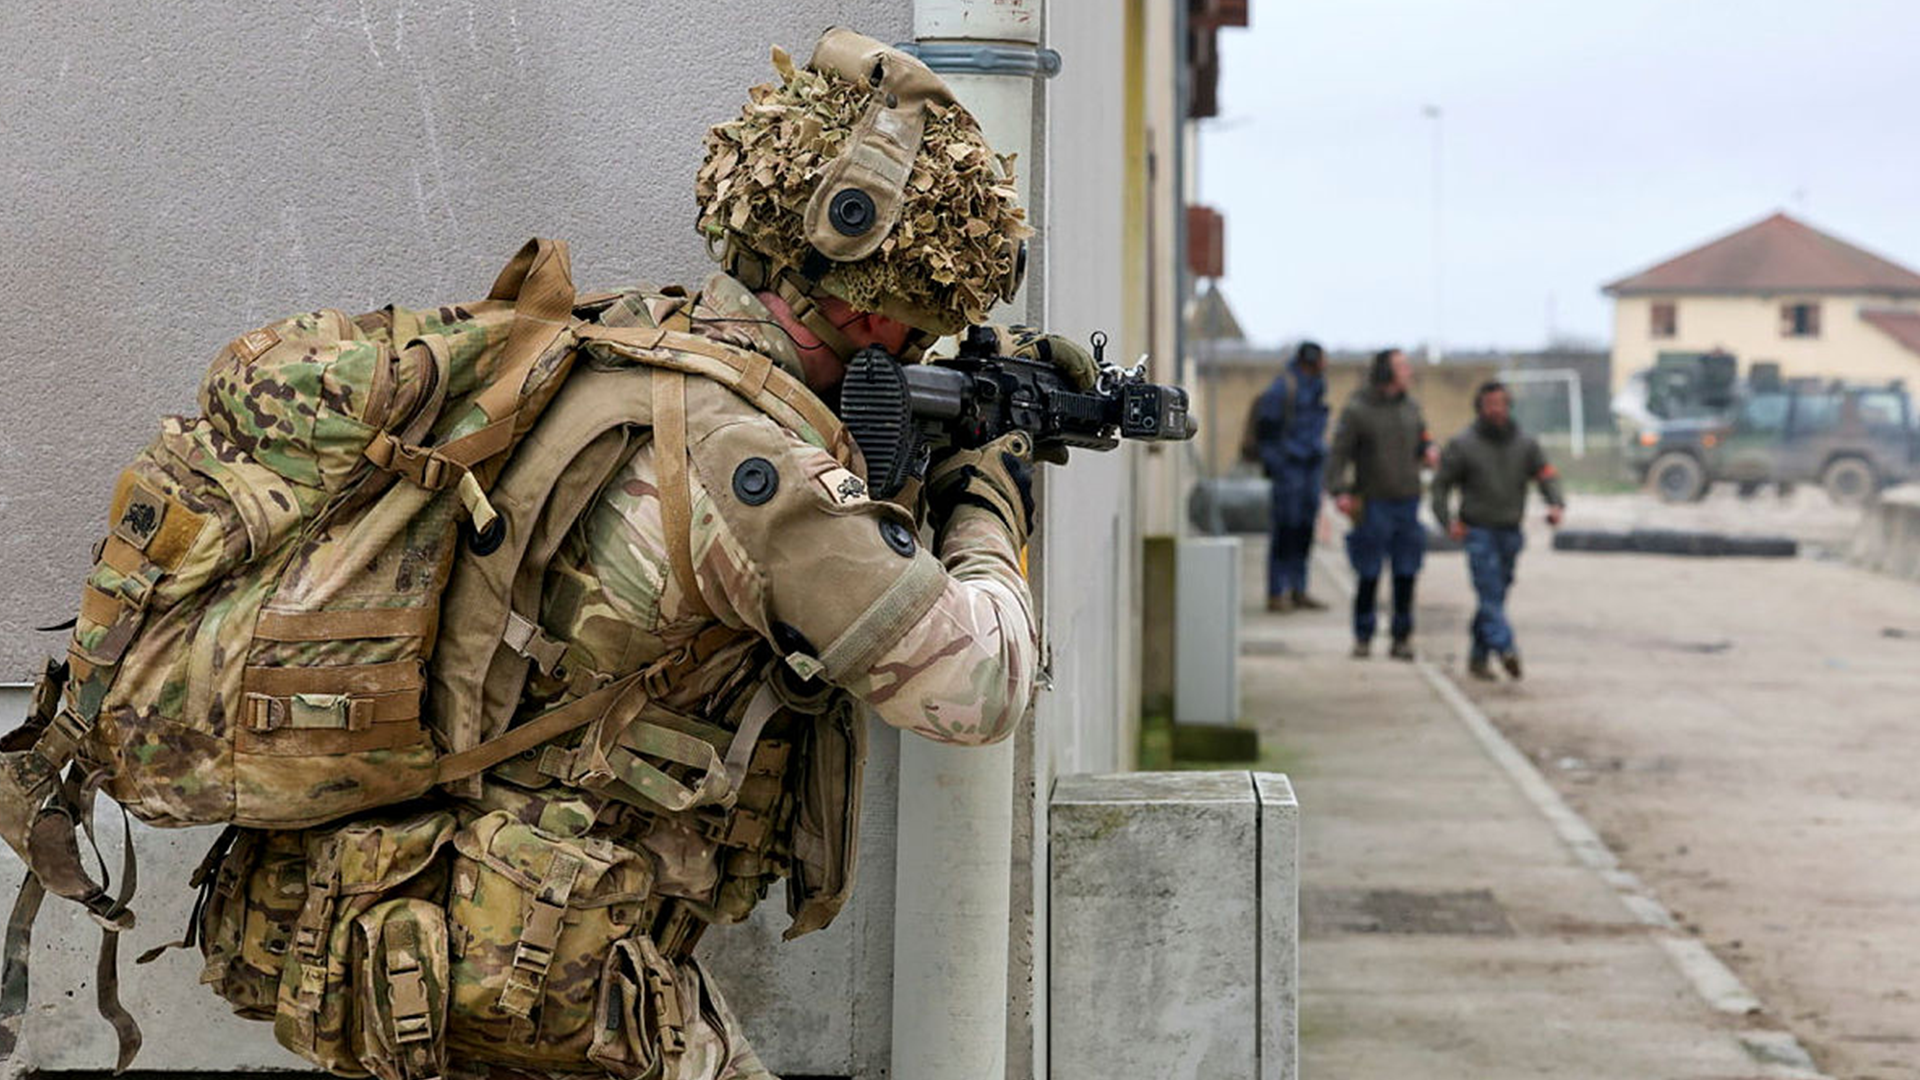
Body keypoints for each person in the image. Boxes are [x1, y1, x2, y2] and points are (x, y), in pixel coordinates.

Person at [426, 30, 1085, 1080]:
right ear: (868, 306)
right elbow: (981, 684)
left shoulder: (637, 349)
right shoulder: (753, 465)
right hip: (541, 968)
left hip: (461, 905)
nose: (916, 353)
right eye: (916, 332)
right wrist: (985, 503)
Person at [1431, 380, 1567, 680]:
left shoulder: (1525, 444)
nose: (1496, 410)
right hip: (1478, 530)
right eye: (1490, 404)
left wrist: (1555, 503)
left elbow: (1545, 474)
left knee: (1496, 595)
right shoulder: (1463, 445)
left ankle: (1478, 657)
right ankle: (1506, 648)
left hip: (1510, 531)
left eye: (1501, 404)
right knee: (1489, 592)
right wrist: (1446, 520)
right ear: (1480, 407)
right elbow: (1440, 486)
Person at [1325, 348, 1435, 660]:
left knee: (1406, 572)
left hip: (1407, 502)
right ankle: (1363, 635)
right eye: (1401, 366)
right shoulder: (1359, 410)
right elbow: (1338, 454)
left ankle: (1402, 638)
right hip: (1373, 503)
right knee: (1369, 573)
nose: (1408, 371)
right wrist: (1339, 491)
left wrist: (1428, 450)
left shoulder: (1411, 408)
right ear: (1385, 371)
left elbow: (1423, 438)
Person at [1243, 341, 1330, 611]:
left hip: (1310, 469)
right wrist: (1279, 463)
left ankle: (1299, 588)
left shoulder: (1316, 388)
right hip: (1289, 470)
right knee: (1285, 529)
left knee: (1304, 530)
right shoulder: (1283, 389)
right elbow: (1267, 432)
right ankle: (1276, 591)